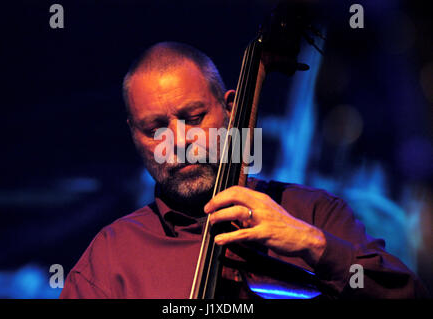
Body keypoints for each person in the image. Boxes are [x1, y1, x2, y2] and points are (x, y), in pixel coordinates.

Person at [60, 42, 428, 299]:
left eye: (193, 118)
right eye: (154, 128)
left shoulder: (314, 214)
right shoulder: (109, 260)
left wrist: (314, 245)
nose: (178, 140)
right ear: (133, 134)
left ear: (231, 109)